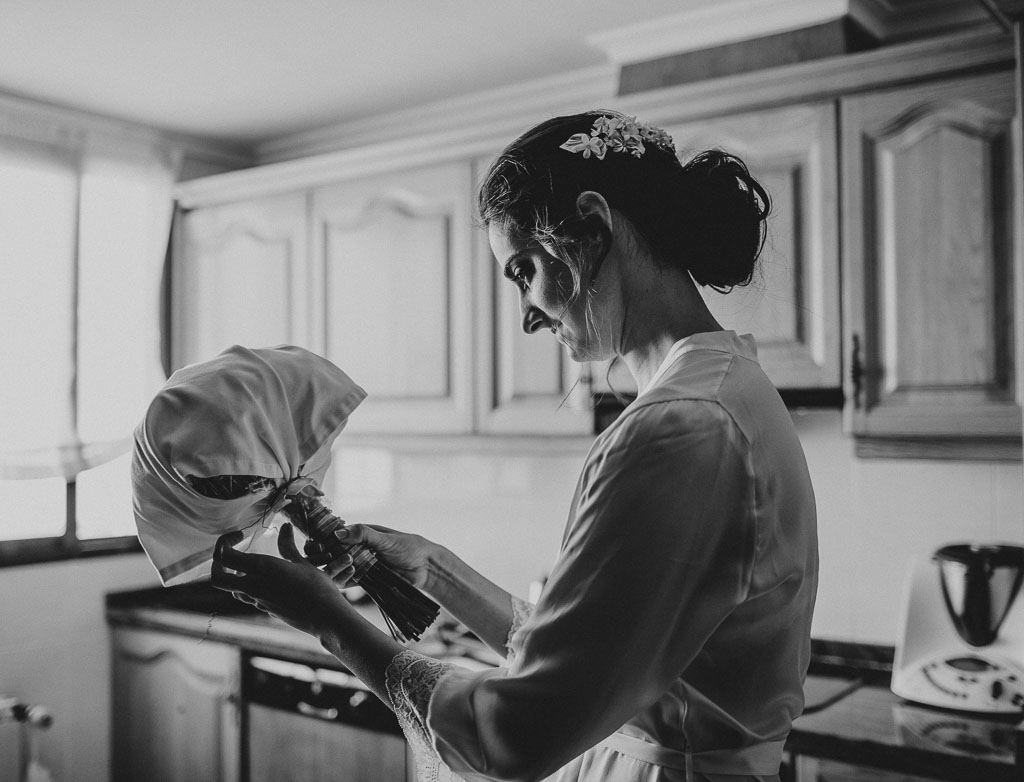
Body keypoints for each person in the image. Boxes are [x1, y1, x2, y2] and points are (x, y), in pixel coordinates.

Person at [210, 110, 819, 782]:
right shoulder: (727, 388)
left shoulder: (679, 428)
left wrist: (328, 622)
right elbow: (592, 650)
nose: (527, 313)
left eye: (523, 270)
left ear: (591, 228)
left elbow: (513, 736)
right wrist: (433, 568)